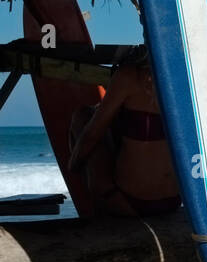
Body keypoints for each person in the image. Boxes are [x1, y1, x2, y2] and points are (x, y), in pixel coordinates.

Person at [67, 48, 181, 217]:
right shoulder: (187, 75)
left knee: (83, 116)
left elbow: (91, 136)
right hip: (175, 201)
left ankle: (94, 211)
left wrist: (73, 168)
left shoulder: (131, 75)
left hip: (128, 202)